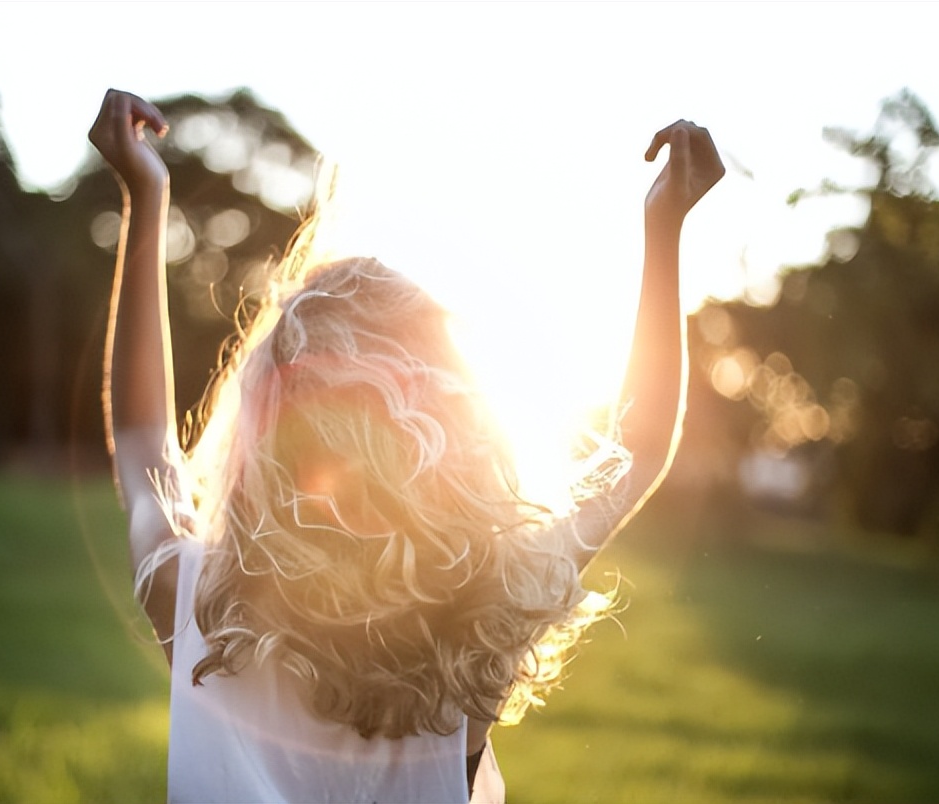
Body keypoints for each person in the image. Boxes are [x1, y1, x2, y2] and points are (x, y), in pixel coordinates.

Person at [89, 88, 723, 803]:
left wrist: (146, 196)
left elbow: (145, 440)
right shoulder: (485, 617)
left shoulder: (197, 603)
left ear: (266, 434)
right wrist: (663, 227)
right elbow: (633, 450)